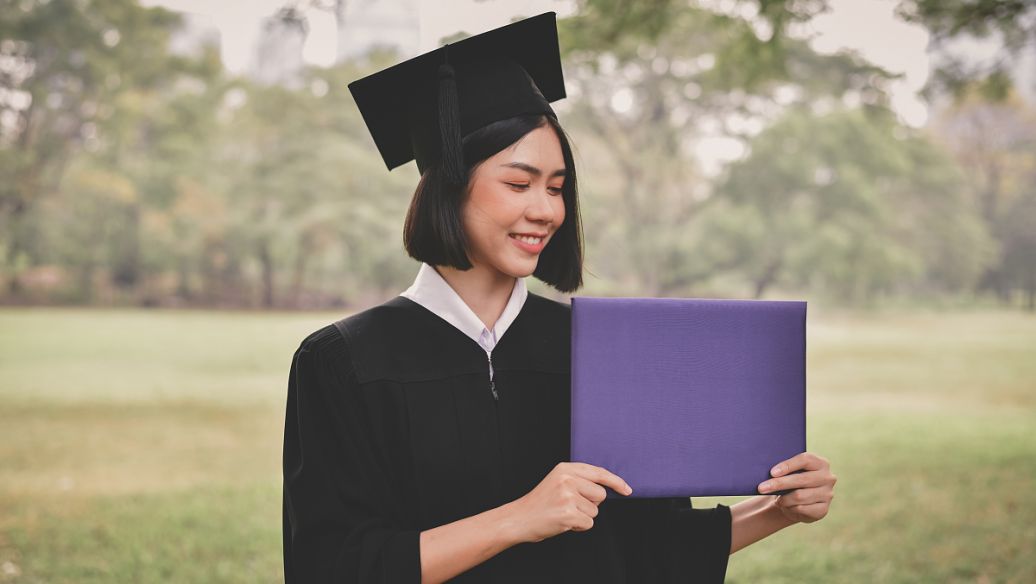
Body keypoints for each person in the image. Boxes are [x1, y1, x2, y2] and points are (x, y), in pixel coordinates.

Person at [281, 11, 836, 584]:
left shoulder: (600, 350)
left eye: (557, 187)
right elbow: (331, 566)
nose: (546, 210)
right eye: (518, 184)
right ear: (448, 185)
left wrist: (780, 508)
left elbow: (653, 547)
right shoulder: (342, 361)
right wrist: (519, 519)